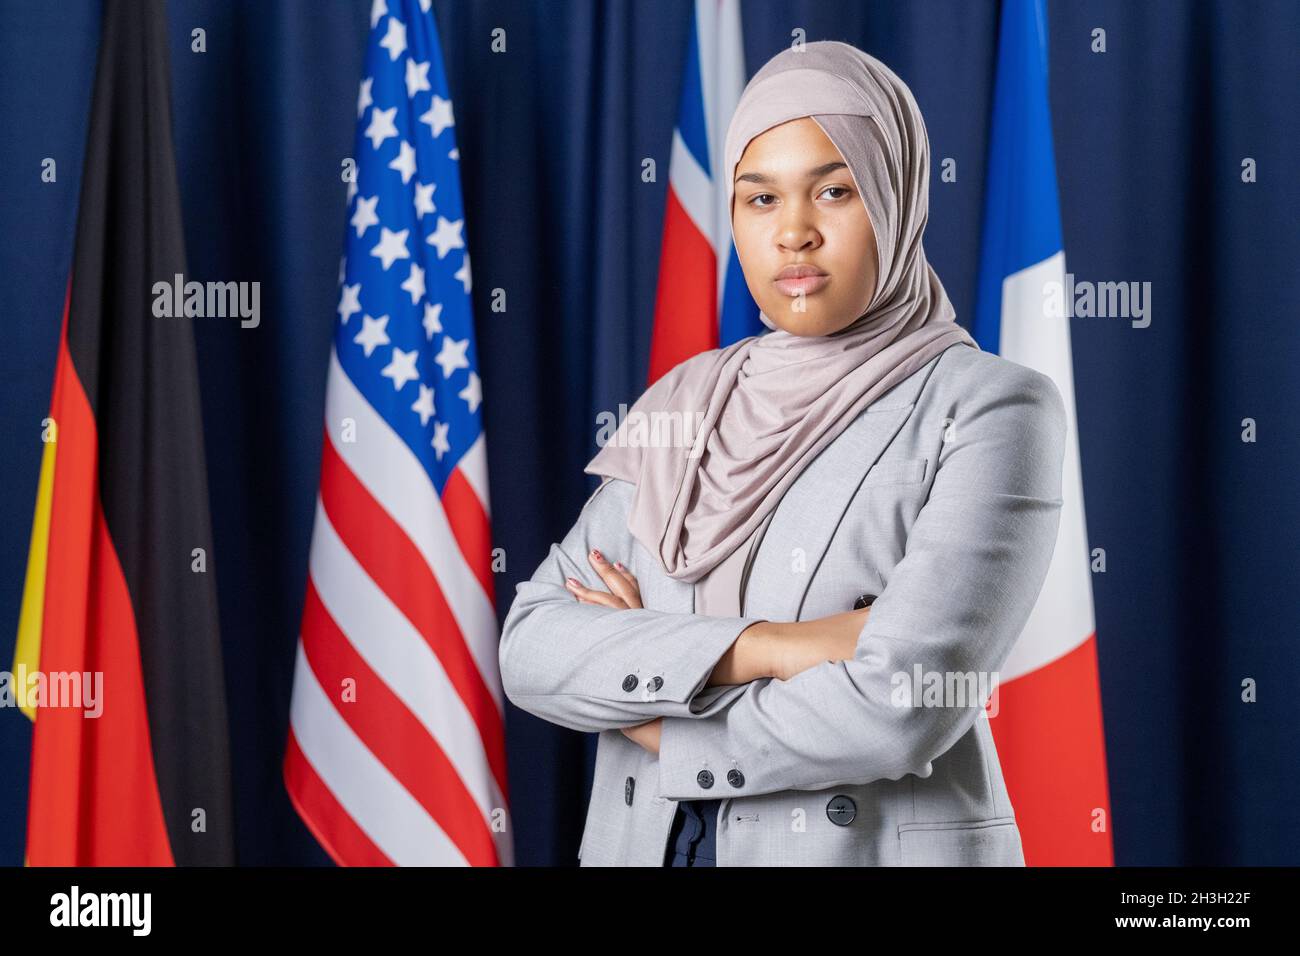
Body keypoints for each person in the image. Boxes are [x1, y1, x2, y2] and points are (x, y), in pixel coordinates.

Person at [499, 40, 1067, 867]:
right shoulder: (690, 401)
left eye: (834, 191)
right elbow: (532, 644)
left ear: (897, 195)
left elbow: (902, 703)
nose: (793, 233)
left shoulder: (990, 407)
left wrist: (653, 714)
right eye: (759, 199)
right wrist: (774, 647)